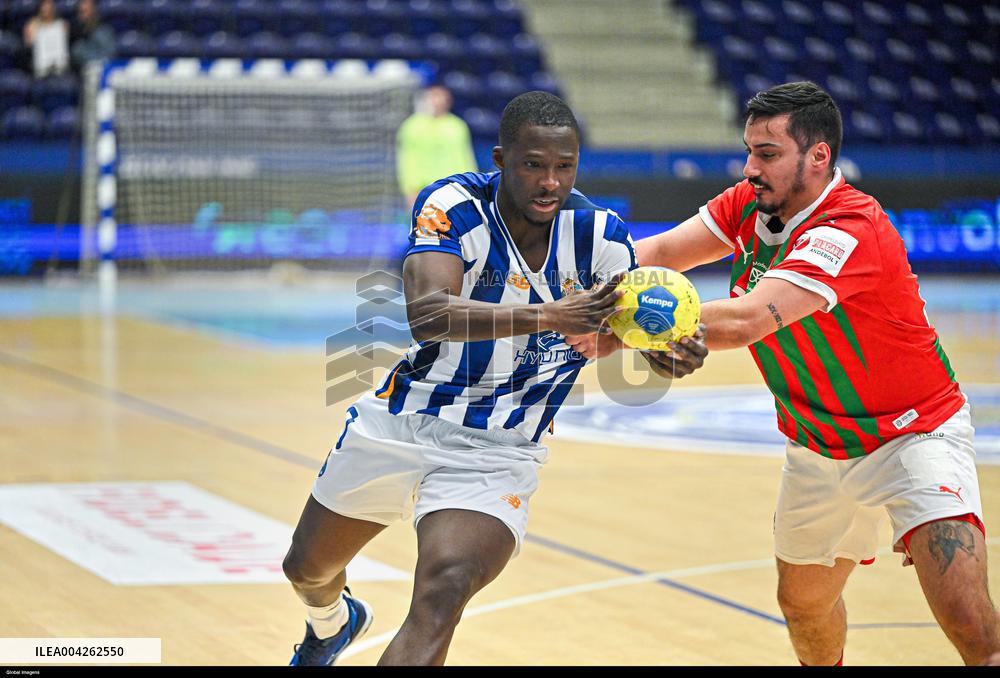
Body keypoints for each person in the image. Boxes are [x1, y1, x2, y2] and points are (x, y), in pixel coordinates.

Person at [570, 81, 999, 666]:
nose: (751, 168)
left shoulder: (849, 229)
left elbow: (748, 319)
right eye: (749, 151)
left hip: (911, 434)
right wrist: (576, 288)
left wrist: (617, 331)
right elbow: (663, 252)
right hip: (816, 442)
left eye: (767, 154)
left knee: (969, 623)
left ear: (818, 156)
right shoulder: (750, 203)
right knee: (803, 607)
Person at [282, 91, 707, 666]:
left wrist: (666, 351)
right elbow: (429, 315)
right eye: (534, 164)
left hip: (499, 449)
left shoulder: (602, 239)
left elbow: (621, 329)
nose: (550, 182)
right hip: (404, 419)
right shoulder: (453, 204)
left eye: (564, 167)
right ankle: (332, 623)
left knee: (443, 588)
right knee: (307, 566)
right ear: (502, 160)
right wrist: (548, 314)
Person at [396, 85, 478, 210]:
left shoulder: (457, 126)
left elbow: (465, 158)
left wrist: (470, 186)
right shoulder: (411, 127)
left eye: (440, 97)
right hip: (423, 190)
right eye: (433, 97)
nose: (437, 102)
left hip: (453, 189)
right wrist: (410, 190)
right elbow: (407, 160)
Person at [23, 0, 69, 78]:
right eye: (44, 6)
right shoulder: (32, 25)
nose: (47, 9)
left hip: (59, 67)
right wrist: (32, 31)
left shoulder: (62, 25)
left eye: (49, 6)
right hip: (40, 69)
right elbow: (28, 45)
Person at [70, 0, 115, 74]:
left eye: (86, 12)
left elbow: (109, 56)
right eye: (81, 12)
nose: (83, 17)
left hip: (101, 73)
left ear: (95, 11)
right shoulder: (74, 34)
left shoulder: (104, 32)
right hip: (81, 74)